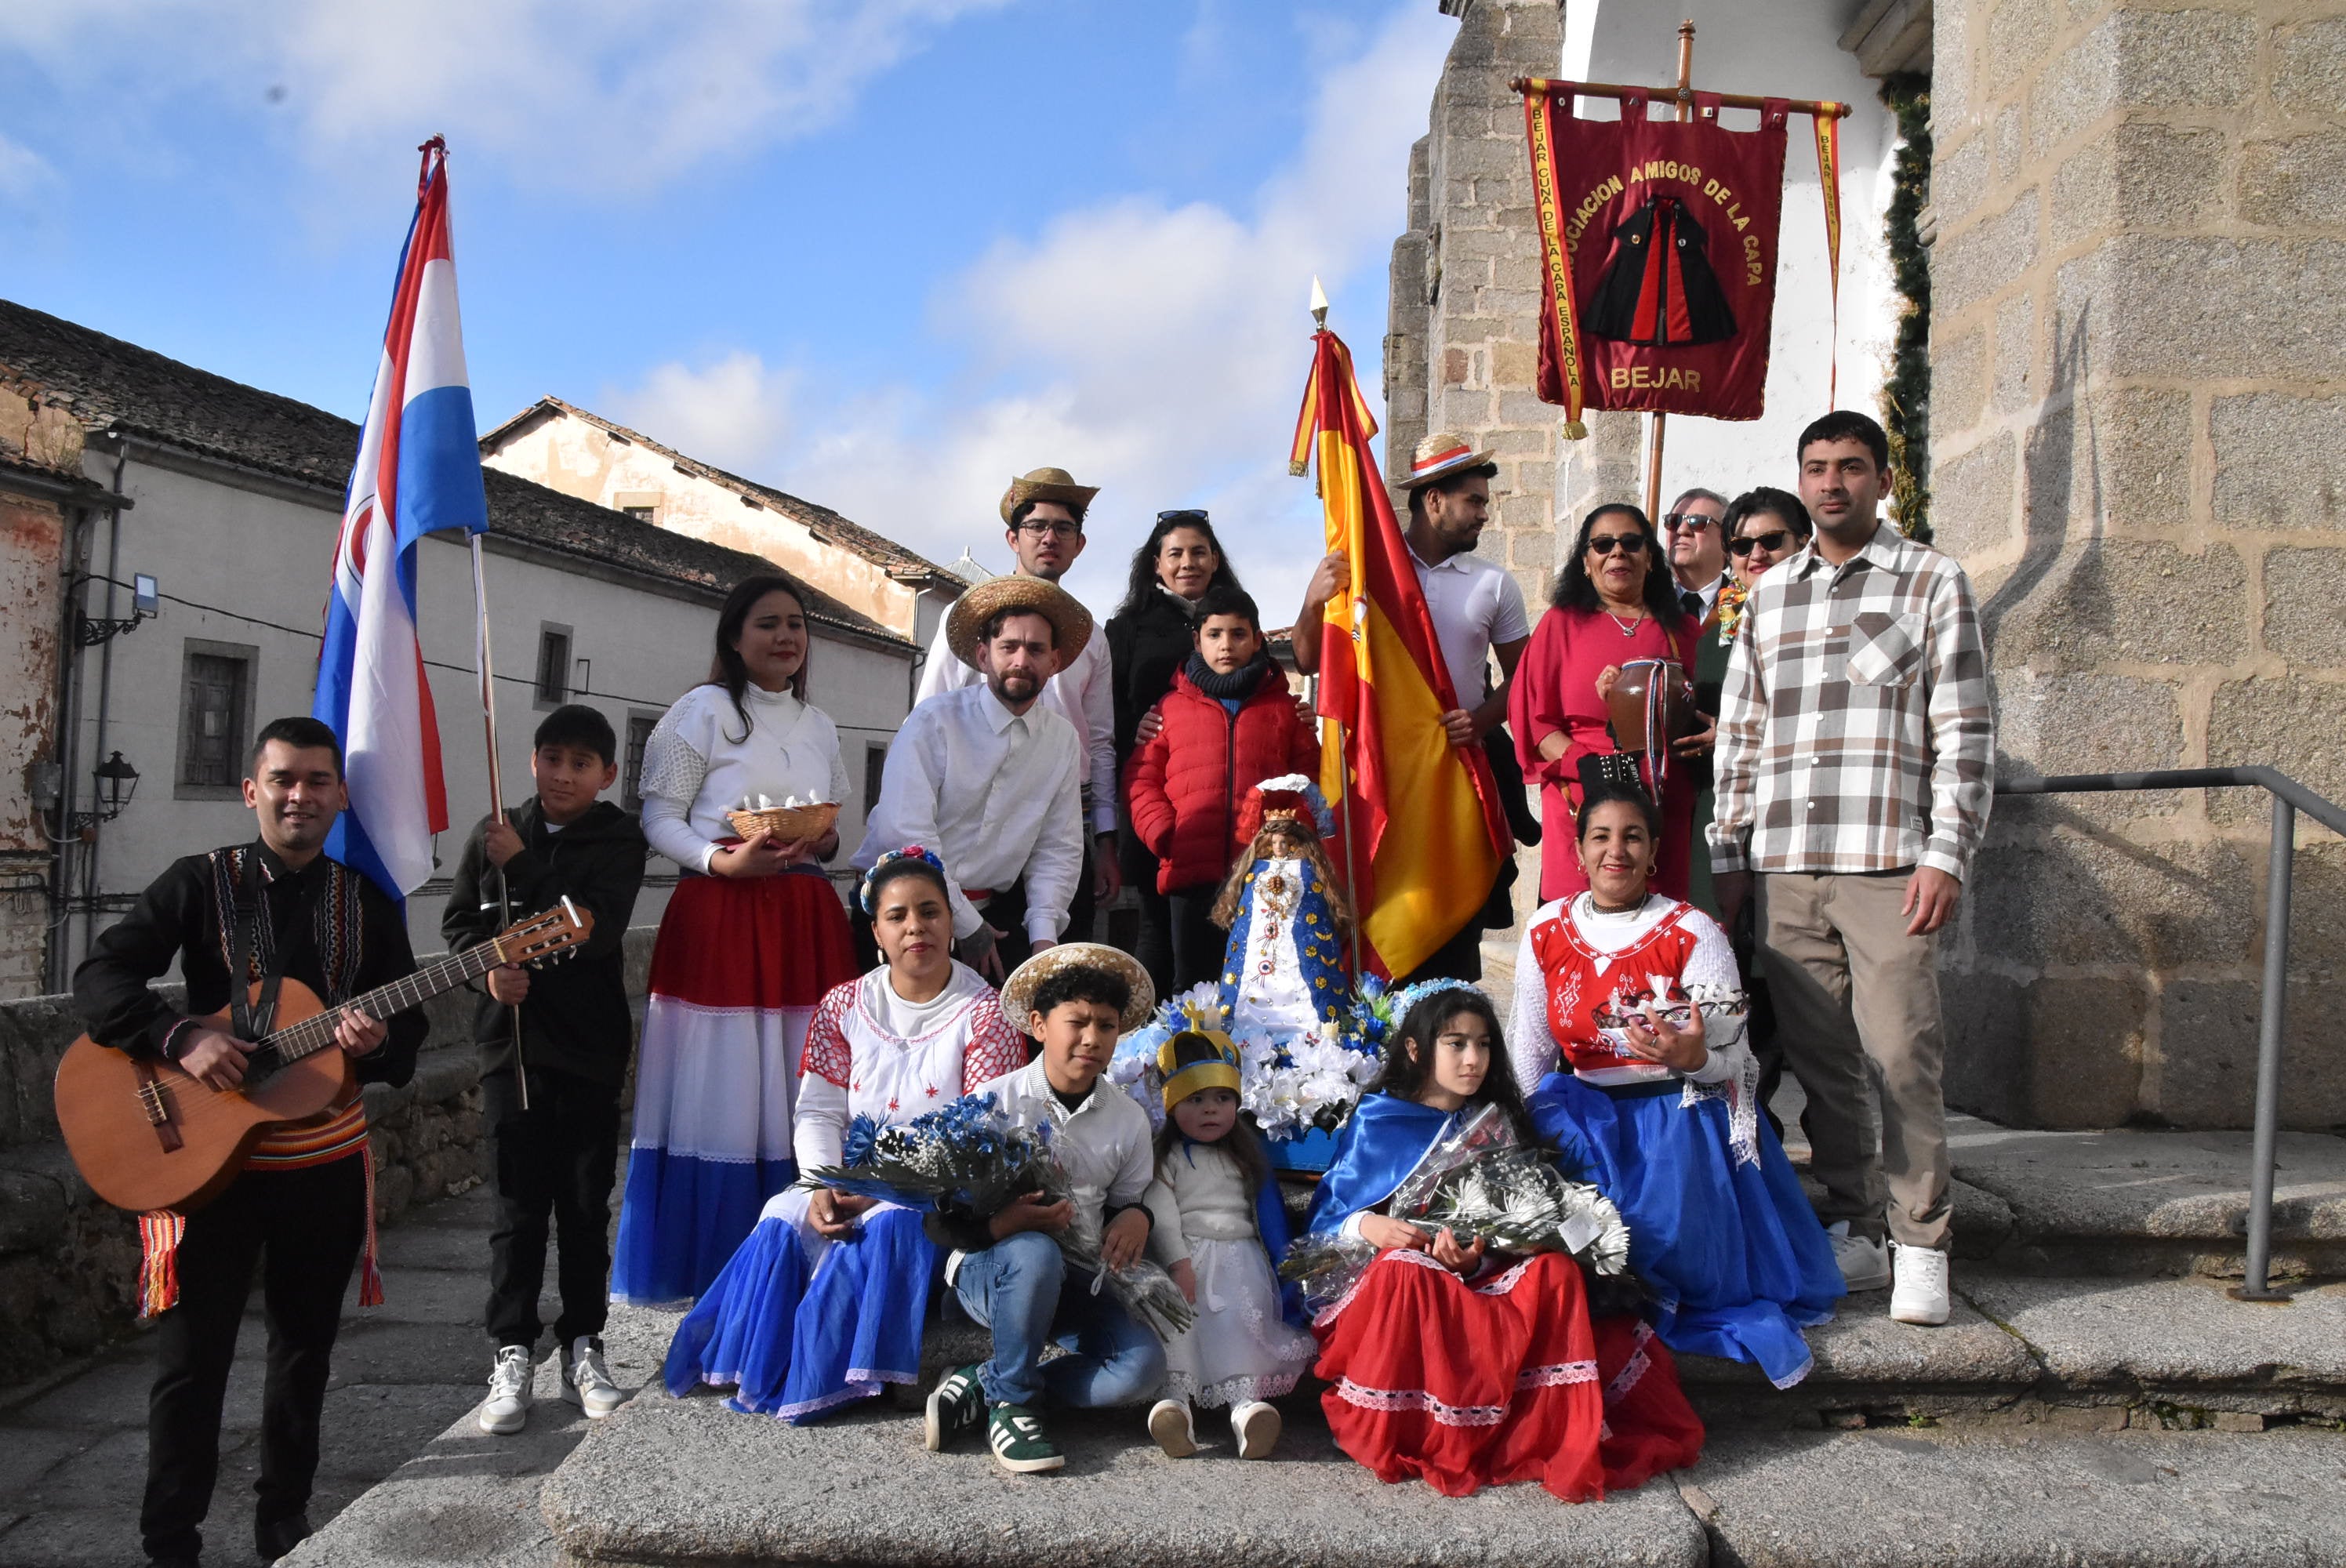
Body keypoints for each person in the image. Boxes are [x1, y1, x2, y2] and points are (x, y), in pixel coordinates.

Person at [72, 717, 423, 1568]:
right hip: (211, 1167)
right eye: (283, 779)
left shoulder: (367, 902)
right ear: (251, 790)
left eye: (316, 780)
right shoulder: (198, 883)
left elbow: (408, 1034)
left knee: (305, 1353)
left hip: (324, 1165)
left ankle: (284, 1525)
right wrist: (177, 1036)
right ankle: (169, 1541)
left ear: (340, 794)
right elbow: (100, 977)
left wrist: (376, 1045)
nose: (299, 795)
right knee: (193, 1362)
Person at [1710, 410, 1996, 1329]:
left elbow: (1965, 731)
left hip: (1888, 862)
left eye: (1850, 468)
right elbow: (1743, 732)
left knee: (1903, 1054)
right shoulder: (1768, 595)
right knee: (1825, 1064)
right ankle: (1858, 1219)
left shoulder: (1929, 581)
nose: (1831, 483)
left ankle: (1922, 1240)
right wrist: (1730, 852)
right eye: (1816, 468)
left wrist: (1946, 851)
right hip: (1788, 862)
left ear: (1881, 480)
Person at [660, 848, 1027, 1421]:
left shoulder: (985, 1013)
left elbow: (983, 1133)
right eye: (898, 916)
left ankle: (833, 1377)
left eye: (930, 912)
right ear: (877, 932)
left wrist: (886, 1187)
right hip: (848, 1174)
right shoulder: (843, 1005)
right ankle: (764, 1363)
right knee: (783, 1219)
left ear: (952, 923)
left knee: (886, 1226)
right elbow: (818, 1112)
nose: (916, 928)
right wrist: (819, 1186)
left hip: (940, 1191)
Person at [1302, 984, 1703, 1502]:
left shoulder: (1495, 1122)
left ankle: (1537, 1430)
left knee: (1553, 1273)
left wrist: (1486, 1251)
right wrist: (1368, 1227)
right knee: (1407, 1270)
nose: (1474, 1059)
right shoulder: (1381, 1120)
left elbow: (1514, 1216)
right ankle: (1416, 1430)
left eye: (1485, 1044)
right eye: (1457, 1044)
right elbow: (1326, 1220)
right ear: (1417, 1050)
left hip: (1478, 1277)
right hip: (1398, 1281)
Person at [1507, 786, 1843, 1389]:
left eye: (1633, 837)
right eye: (1601, 837)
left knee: (1662, 1258)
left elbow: (1736, 1065)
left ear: (1655, 849)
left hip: (1678, 1121)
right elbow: (1528, 1047)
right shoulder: (1545, 929)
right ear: (1579, 849)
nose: (1617, 852)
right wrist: (1519, 1145)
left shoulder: (1692, 931)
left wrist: (1694, 1059)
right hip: (1580, 1118)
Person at [614, 574, 859, 1307]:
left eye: (795, 624)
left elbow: (834, 824)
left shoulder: (818, 725)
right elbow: (659, 818)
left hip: (802, 917)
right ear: (733, 636)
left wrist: (821, 836)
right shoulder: (703, 712)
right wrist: (723, 861)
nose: (785, 637)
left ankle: (804, 1244)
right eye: (767, 624)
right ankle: (711, 1255)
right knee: (722, 1085)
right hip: (723, 913)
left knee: (799, 1078)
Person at [444, 705, 648, 1436]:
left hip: (588, 1048)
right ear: (533, 760)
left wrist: (522, 865)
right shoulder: (494, 830)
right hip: (512, 1049)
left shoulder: (620, 837)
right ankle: (511, 1350)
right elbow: (461, 928)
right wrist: (486, 977)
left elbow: (595, 931)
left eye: (582, 765)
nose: (564, 775)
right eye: (553, 759)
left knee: (586, 1207)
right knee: (516, 1211)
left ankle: (584, 1346)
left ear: (608, 776)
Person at [1291, 432, 1533, 982]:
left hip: (1456, 777)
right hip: (1380, 778)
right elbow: (1308, 659)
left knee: (1452, 923)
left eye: (1484, 503)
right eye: (1473, 501)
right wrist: (1313, 598)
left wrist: (1482, 721)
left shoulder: (1495, 583)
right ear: (1433, 501)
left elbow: (1527, 679)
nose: (1483, 515)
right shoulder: (1363, 574)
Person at [921, 946, 1164, 1475]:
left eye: (1106, 1025)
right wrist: (1000, 1225)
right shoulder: (994, 1104)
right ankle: (1013, 1406)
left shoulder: (1128, 1120)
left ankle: (991, 1382)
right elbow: (939, 1219)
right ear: (1038, 1024)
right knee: (1033, 1252)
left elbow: (1129, 1196)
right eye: (1076, 1021)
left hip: (1080, 1280)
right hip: (995, 1273)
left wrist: (1136, 1216)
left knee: (1142, 1368)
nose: (1092, 1038)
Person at [917, 467, 1121, 940]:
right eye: (1037, 526)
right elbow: (928, 717)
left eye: (1064, 528)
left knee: (1059, 973)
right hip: (975, 825)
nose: (1050, 538)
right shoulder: (968, 619)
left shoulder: (1092, 639)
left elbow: (1101, 742)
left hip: (1064, 826)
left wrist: (1106, 840)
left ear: (1079, 544)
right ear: (1013, 538)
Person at [854, 576, 1089, 981]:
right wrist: (964, 924)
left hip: (991, 921)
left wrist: (1043, 941)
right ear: (983, 657)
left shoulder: (1061, 739)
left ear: (1054, 662)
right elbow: (906, 834)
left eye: (1035, 650)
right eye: (1008, 647)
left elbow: (1058, 845)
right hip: (900, 916)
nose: (1021, 660)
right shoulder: (934, 722)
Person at [1124, 584, 1320, 990]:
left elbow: (1310, 780)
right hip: (1190, 873)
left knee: (1264, 986)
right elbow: (1141, 778)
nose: (1226, 645)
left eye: (1238, 634)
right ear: (1197, 640)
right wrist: (1165, 832)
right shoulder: (1170, 708)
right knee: (1193, 988)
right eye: (1214, 635)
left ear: (1257, 640)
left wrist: (1288, 836)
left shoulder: (1283, 710)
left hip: (1266, 875)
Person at [1509, 503, 1703, 903]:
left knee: (1658, 930)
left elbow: (1703, 706)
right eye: (1603, 544)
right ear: (1586, 561)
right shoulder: (1560, 625)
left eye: (1631, 543)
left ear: (1650, 558)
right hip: (1583, 793)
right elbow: (1538, 722)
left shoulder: (1683, 631)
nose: (1618, 552)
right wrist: (1596, 771)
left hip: (1661, 799)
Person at [1139, 1029, 1316, 1458]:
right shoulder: (1166, 1159)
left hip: (1240, 1261)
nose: (1210, 1110)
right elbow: (1161, 1211)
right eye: (1195, 1100)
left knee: (1240, 1330)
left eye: (1221, 1099)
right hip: (1186, 1258)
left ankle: (1247, 1410)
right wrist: (1177, 1260)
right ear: (1172, 1105)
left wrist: (1286, 1263)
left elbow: (1269, 1215)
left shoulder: (1246, 1157)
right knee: (1180, 1330)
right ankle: (1175, 1407)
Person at [1106, 509, 1247, 996]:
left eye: (1199, 552)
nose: (1188, 563)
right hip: (1156, 798)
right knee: (1157, 937)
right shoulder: (1126, 628)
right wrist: (1135, 726)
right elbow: (1107, 709)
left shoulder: (1236, 620)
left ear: (1214, 560)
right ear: (1156, 564)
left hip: (1225, 810)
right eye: (1176, 554)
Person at [1714, 485, 1815, 1135]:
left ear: (1801, 544)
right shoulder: (1718, 621)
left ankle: (1775, 1138)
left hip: (1798, 833)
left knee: (1786, 1002)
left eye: (1770, 541)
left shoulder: (1816, 615)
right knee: (1734, 990)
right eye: (1742, 544)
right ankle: (1742, 1132)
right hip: (1725, 827)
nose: (1755, 553)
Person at [1662, 488, 1731, 916]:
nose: (1682, 530)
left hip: (1718, 781)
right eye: (1673, 522)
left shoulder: (1745, 605)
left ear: (1727, 541)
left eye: (1698, 523)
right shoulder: (1645, 606)